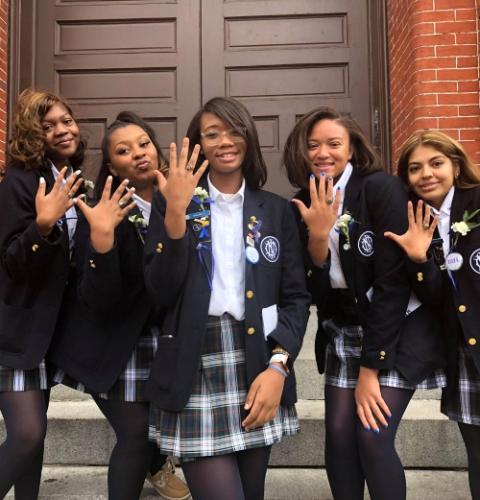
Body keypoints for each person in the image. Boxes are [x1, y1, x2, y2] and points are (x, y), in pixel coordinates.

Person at [143, 96, 310, 500]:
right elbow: (159, 292)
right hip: (194, 362)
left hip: (257, 360)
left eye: (233, 131)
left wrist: (279, 367)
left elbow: (296, 298)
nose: (225, 141)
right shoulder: (174, 202)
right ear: (197, 145)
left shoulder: (275, 210)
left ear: (249, 138)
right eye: (212, 134)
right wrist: (176, 219)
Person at [283, 107, 446, 500]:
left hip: (396, 326)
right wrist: (317, 240)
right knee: (338, 437)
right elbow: (315, 294)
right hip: (345, 327)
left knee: (372, 436)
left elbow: (393, 284)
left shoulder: (380, 189)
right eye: (313, 145)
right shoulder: (302, 202)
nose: (323, 153)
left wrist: (371, 368)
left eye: (334, 144)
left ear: (352, 148)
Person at [48, 111, 190, 500]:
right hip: (109, 340)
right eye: (124, 151)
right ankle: (149, 465)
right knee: (135, 434)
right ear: (113, 166)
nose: (139, 154)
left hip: (167, 334)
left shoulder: (181, 198)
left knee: (156, 424)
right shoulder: (102, 209)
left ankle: (157, 463)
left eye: (144, 144)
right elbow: (98, 298)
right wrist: (103, 240)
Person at [385, 130, 480, 500]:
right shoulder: (413, 220)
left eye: (436, 163)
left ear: (455, 166)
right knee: (477, 453)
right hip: (464, 352)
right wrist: (420, 258)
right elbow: (438, 298)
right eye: (414, 168)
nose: (426, 174)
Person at [0, 89, 85, 499]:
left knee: (34, 435)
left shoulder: (72, 179)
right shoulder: (19, 181)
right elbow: (11, 262)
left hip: (50, 331)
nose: (62, 130)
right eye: (48, 125)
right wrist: (44, 226)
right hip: (17, 328)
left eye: (66, 120)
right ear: (33, 134)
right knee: (27, 434)